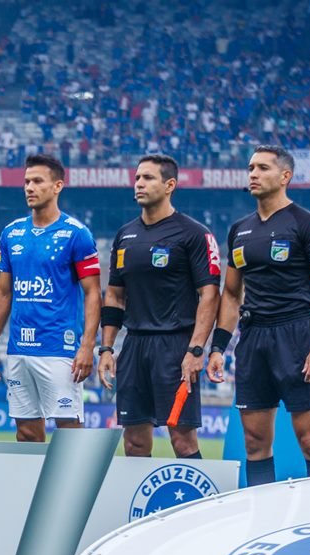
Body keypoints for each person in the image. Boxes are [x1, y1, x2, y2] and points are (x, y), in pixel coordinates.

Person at [206, 145, 310, 486]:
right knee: (254, 445)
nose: (253, 173)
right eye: (251, 167)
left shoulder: (308, 225)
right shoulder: (239, 229)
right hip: (253, 338)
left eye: (262, 168)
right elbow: (232, 293)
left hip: (295, 335)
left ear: (285, 176)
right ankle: (263, 522)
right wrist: (217, 348)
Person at [97, 154, 221, 457]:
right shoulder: (125, 235)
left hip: (175, 346)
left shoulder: (194, 234)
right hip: (135, 346)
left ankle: (201, 504)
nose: (139, 183)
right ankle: (140, 506)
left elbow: (210, 295)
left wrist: (196, 350)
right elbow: (114, 296)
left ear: (170, 185)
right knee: (134, 442)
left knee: (182, 440)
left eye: (148, 178)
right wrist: (107, 348)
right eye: (137, 177)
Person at [0, 154, 101, 442]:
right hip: (19, 349)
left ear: (58, 186)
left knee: (69, 431)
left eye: (37, 181)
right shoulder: (12, 232)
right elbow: (4, 292)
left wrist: (87, 346)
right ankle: (31, 487)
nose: (29, 188)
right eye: (26, 182)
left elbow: (93, 293)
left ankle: (76, 488)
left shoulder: (77, 234)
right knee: (25, 432)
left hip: (59, 349)